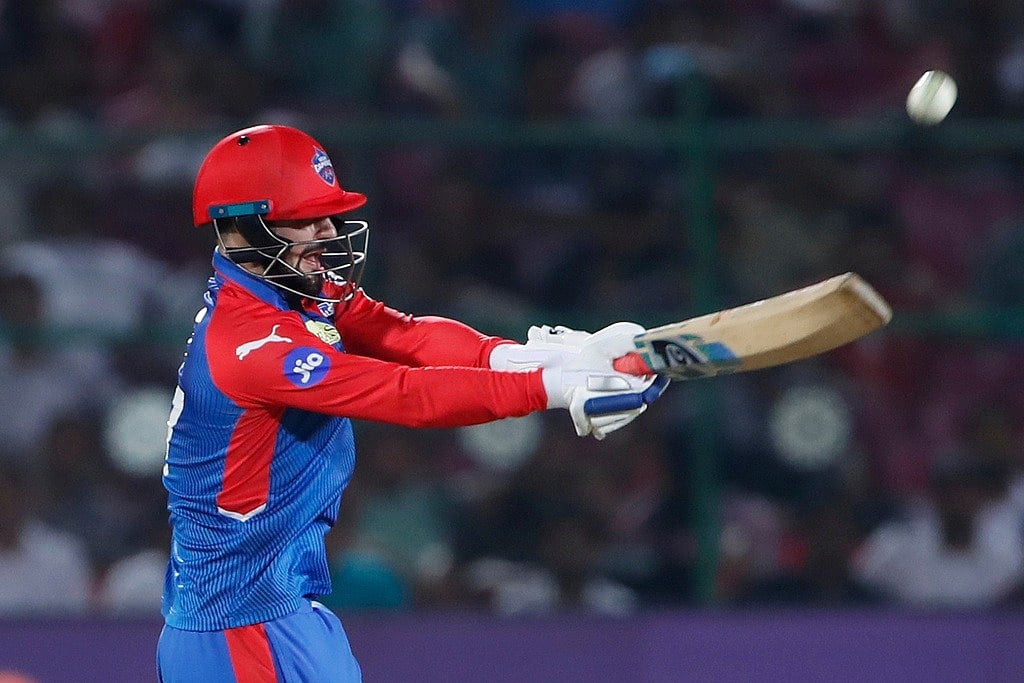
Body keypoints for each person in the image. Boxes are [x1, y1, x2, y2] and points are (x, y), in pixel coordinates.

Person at [156, 123, 667, 682]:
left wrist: (525, 356)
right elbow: (404, 394)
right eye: (308, 216)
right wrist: (550, 388)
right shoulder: (247, 345)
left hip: (284, 611)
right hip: (232, 632)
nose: (329, 229)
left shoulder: (296, 291)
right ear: (245, 228)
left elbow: (403, 333)